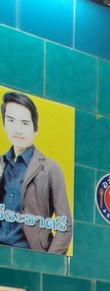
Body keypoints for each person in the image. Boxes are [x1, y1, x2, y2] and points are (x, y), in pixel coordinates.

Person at [0, 91, 72, 254]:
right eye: (11, 120)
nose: (17, 129)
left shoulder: (51, 168)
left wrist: (49, 261)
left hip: (31, 253)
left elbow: (65, 225)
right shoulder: (1, 162)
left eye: (25, 123)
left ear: (35, 128)